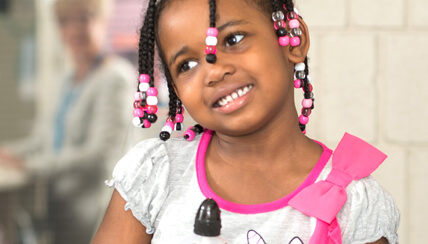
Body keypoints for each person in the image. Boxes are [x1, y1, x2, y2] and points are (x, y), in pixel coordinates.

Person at [92, 0, 400, 243]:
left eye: (233, 39)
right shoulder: (155, 175)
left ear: (292, 39)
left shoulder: (355, 202)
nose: (214, 71)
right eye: (187, 64)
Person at [0, 0, 135, 243]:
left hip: (92, 211)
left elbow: (98, 156)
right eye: (65, 22)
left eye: (85, 17)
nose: (75, 29)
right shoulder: (68, 81)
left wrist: (29, 165)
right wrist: (8, 153)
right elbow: (42, 141)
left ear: (103, 21)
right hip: (58, 208)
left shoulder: (115, 78)